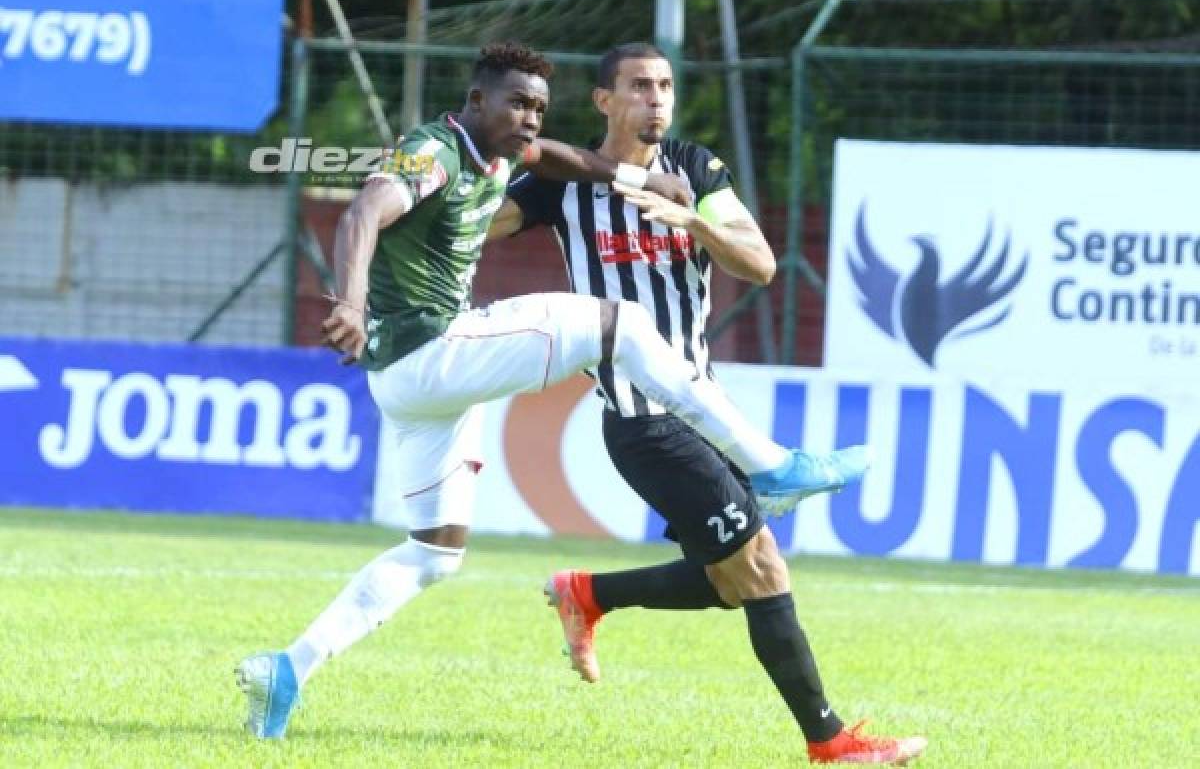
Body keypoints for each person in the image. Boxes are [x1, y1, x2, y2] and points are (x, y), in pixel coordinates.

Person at [234, 41, 867, 740]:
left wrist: (646, 182)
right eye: (517, 103)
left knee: (434, 553)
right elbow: (361, 214)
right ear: (476, 101)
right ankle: (772, 465)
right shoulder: (433, 151)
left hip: (411, 388)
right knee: (619, 323)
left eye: (538, 106)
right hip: (431, 350)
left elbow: (570, 161)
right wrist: (350, 303)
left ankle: (287, 670)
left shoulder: (512, 153)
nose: (531, 118)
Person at [492, 43, 925, 765]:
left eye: (664, 85)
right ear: (604, 101)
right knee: (761, 566)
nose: (656, 98)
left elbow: (758, 264)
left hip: (701, 408)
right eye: (638, 86)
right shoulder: (561, 185)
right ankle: (831, 741)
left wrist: (690, 219)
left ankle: (587, 593)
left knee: (731, 585)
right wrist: (443, 179)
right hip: (641, 421)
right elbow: (477, 227)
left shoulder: (695, 168)